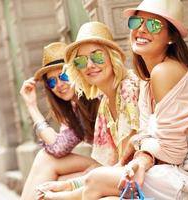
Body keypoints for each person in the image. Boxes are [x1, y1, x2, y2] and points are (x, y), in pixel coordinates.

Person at [81, 0, 188, 199]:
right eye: (136, 22)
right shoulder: (146, 82)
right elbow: (148, 134)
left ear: (171, 37)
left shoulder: (166, 71)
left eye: (154, 25)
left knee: (95, 181)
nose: (142, 29)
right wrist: (140, 153)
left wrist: (140, 155)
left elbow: (172, 151)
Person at [36, 21, 140, 200]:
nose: (90, 65)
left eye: (97, 57)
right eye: (81, 60)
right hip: (123, 178)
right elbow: (108, 166)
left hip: (146, 175)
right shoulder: (105, 106)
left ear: (112, 56)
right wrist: (68, 185)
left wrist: (67, 193)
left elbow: (126, 165)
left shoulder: (128, 89)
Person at [19, 42, 100, 200]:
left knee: (46, 163)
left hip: (119, 165)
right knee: (50, 179)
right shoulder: (76, 110)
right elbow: (59, 148)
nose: (59, 84)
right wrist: (32, 107)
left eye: (64, 76)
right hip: (102, 165)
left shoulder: (97, 95)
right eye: (52, 82)